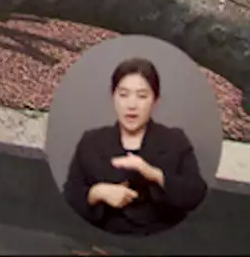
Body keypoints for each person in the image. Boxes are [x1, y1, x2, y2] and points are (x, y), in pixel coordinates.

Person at [62, 57, 208, 236]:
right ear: (113, 96)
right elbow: (70, 197)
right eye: (123, 95)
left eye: (142, 96)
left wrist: (153, 174)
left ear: (155, 100)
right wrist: (96, 193)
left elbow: (196, 194)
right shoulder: (91, 141)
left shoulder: (175, 140)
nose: (132, 105)